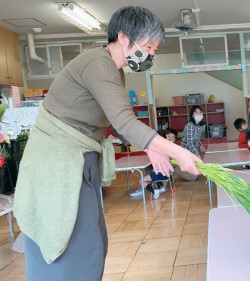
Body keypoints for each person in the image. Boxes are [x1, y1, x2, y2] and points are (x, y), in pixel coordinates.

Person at [13, 6, 201, 281]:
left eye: (155, 50)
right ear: (124, 38)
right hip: (58, 163)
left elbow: (115, 120)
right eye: (149, 46)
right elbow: (124, 121)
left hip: (79, 158)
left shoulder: (114, 69)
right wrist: (179, 152)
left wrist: (152, 147)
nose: (151, 55)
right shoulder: (97, 63)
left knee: (93, 238)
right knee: (76, 242)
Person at [131, 128, 178, 199]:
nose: (170, 138)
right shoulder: (168, 147)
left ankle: (154, 191)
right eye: (168, 136)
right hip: (166, 174)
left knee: (141, 181)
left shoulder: (164, 147)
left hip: (161, 174)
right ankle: (159, 186)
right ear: (164, 136)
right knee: (151, 171)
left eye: (172, 137)